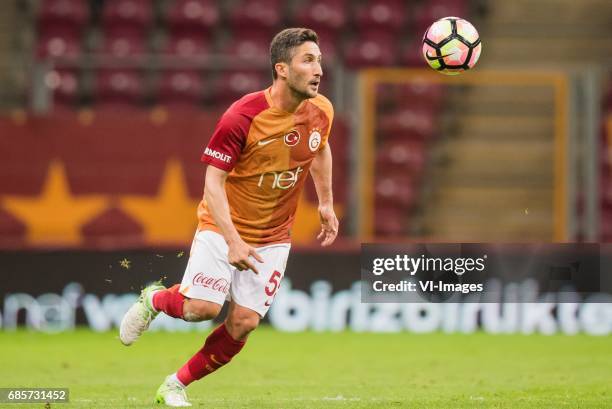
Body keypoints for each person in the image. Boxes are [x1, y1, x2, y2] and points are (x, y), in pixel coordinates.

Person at [119, 27, 338, 407]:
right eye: (308, 60)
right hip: (223, 226)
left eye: (318, 59)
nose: (318, 68)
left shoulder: (322, 111)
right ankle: (155, 300)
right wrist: (233, 239)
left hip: (274, 235)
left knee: (244, 323)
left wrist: (326, 202)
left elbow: (320, 149)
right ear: (282, 69)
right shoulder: (241, 116)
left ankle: (174, 384)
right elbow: (213, 183)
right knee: (201, 309)